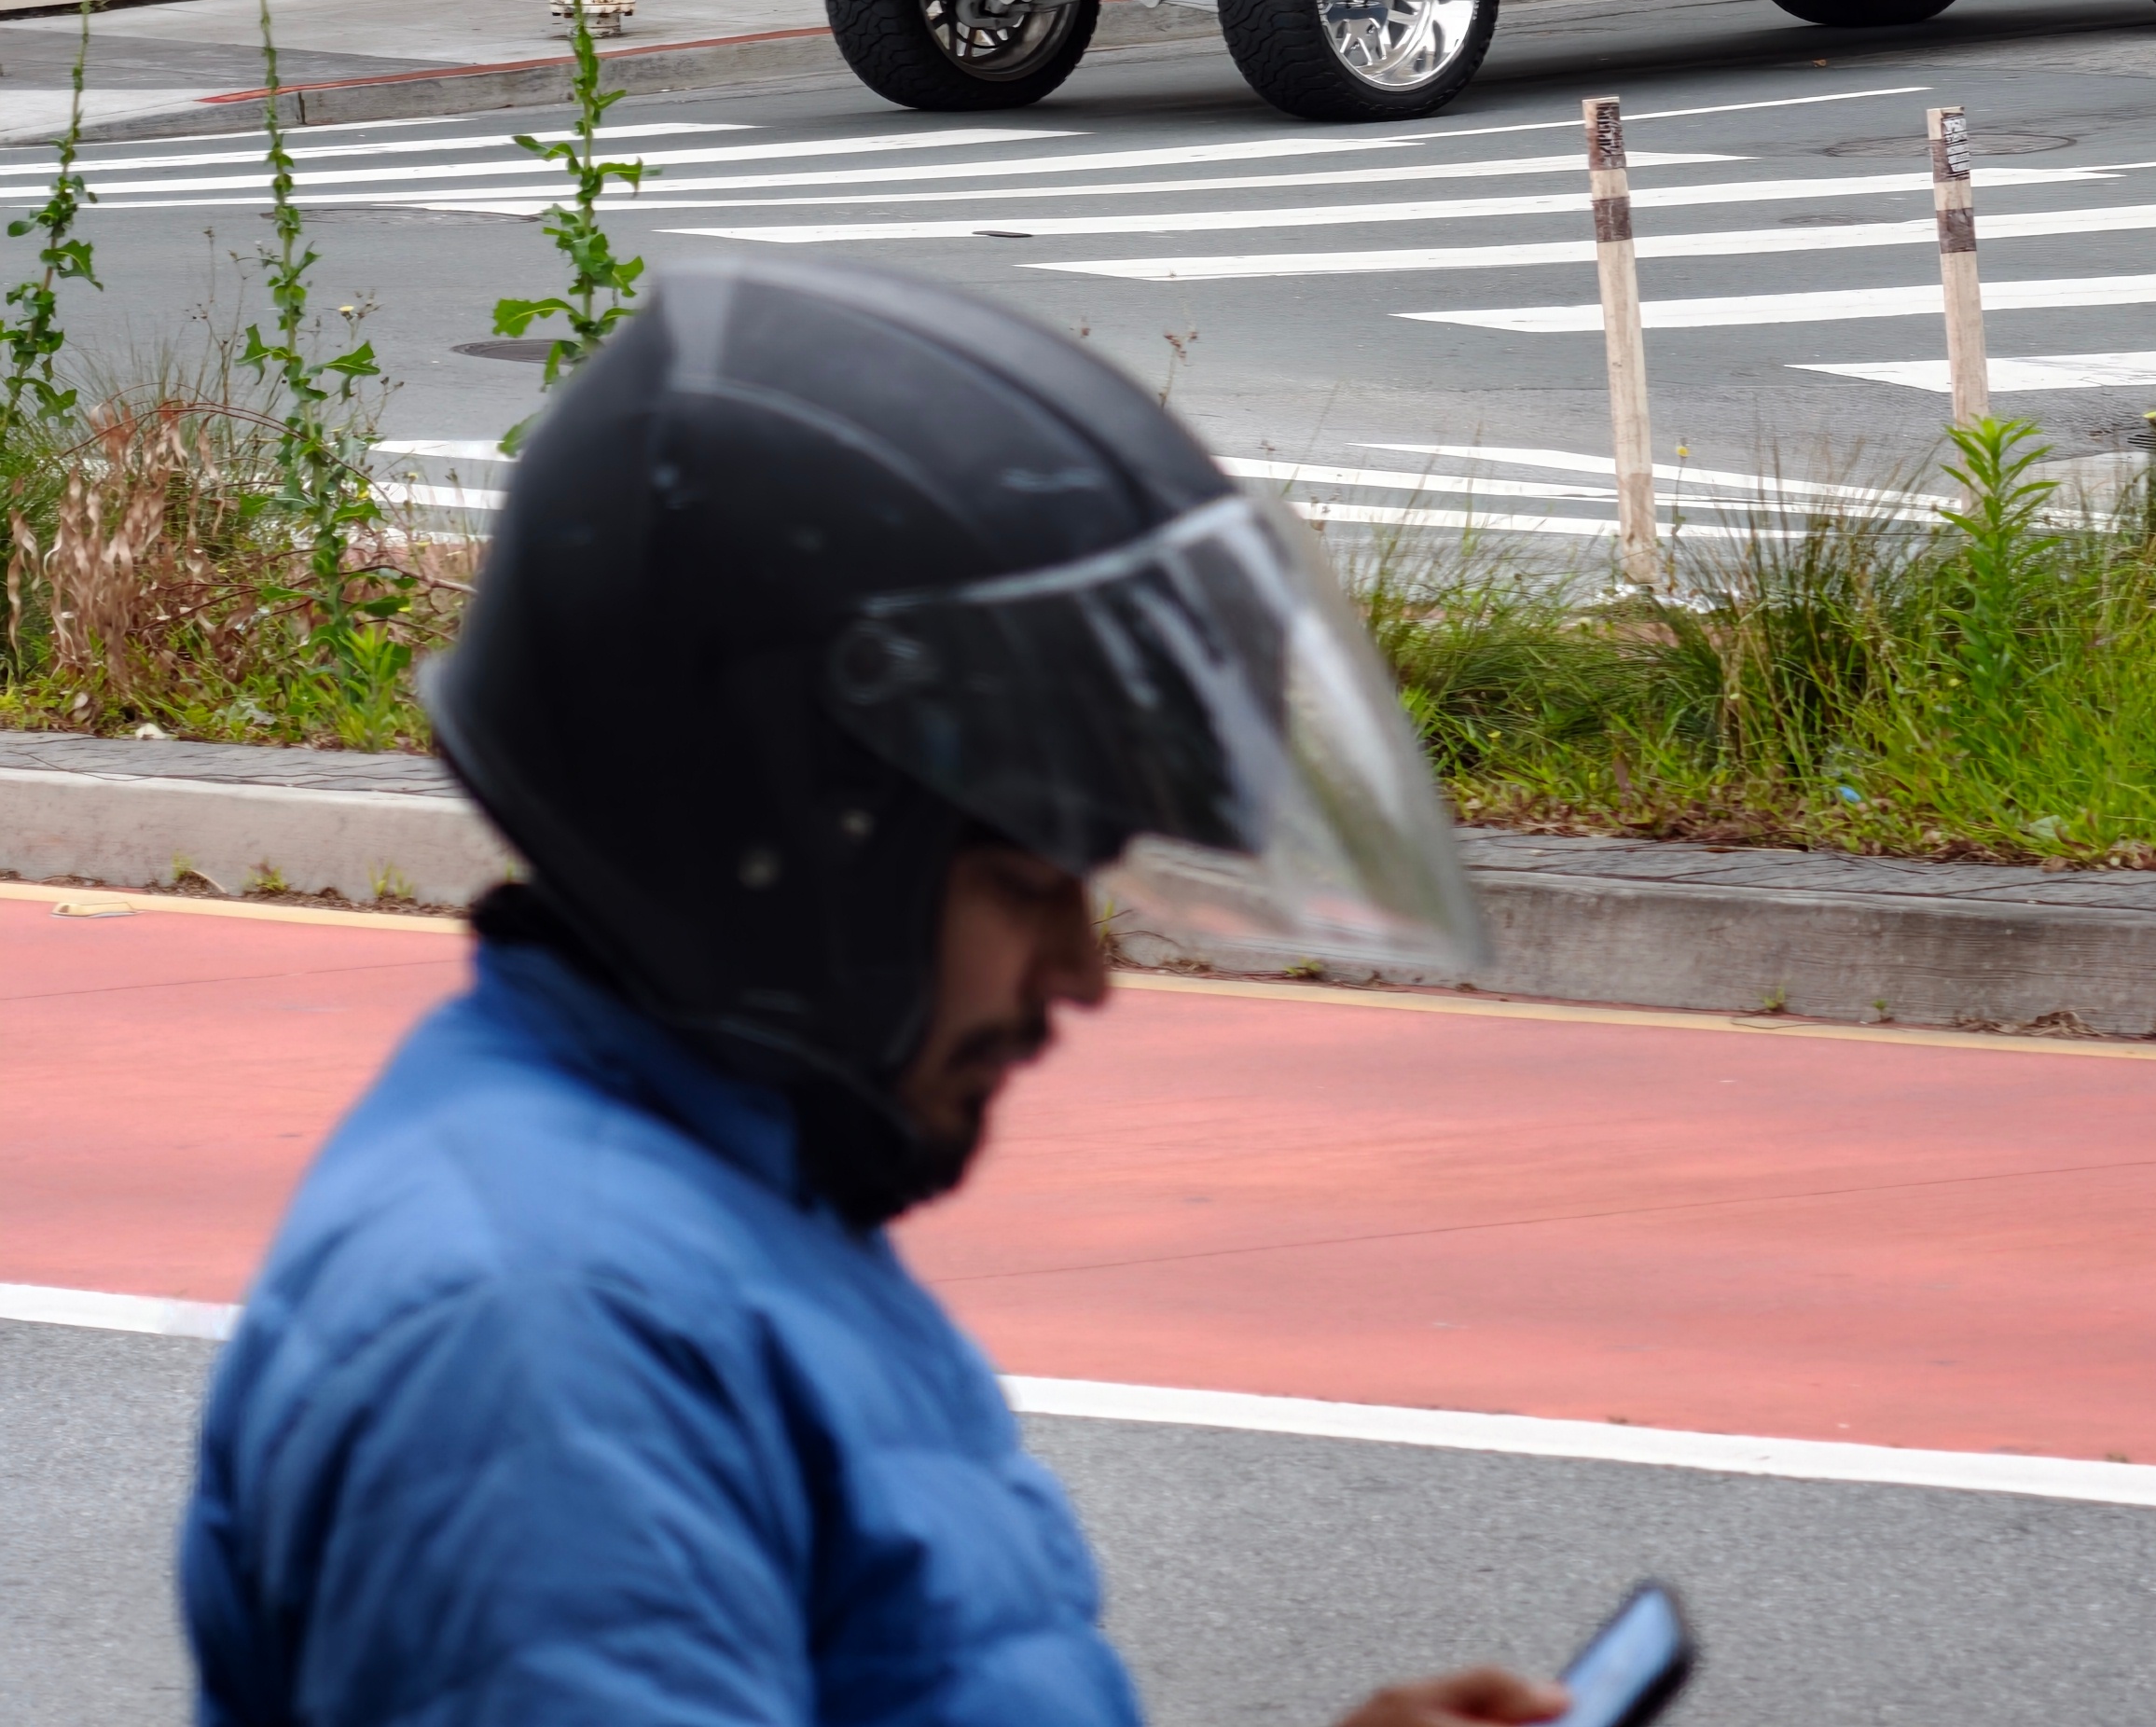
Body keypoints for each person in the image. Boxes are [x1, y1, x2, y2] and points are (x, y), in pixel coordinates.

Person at [182, 259, 1570, 1727]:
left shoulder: (722, 1203)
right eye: (1030, 885)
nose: (1080, 980)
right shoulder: (549, 1349)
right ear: (791, 855)